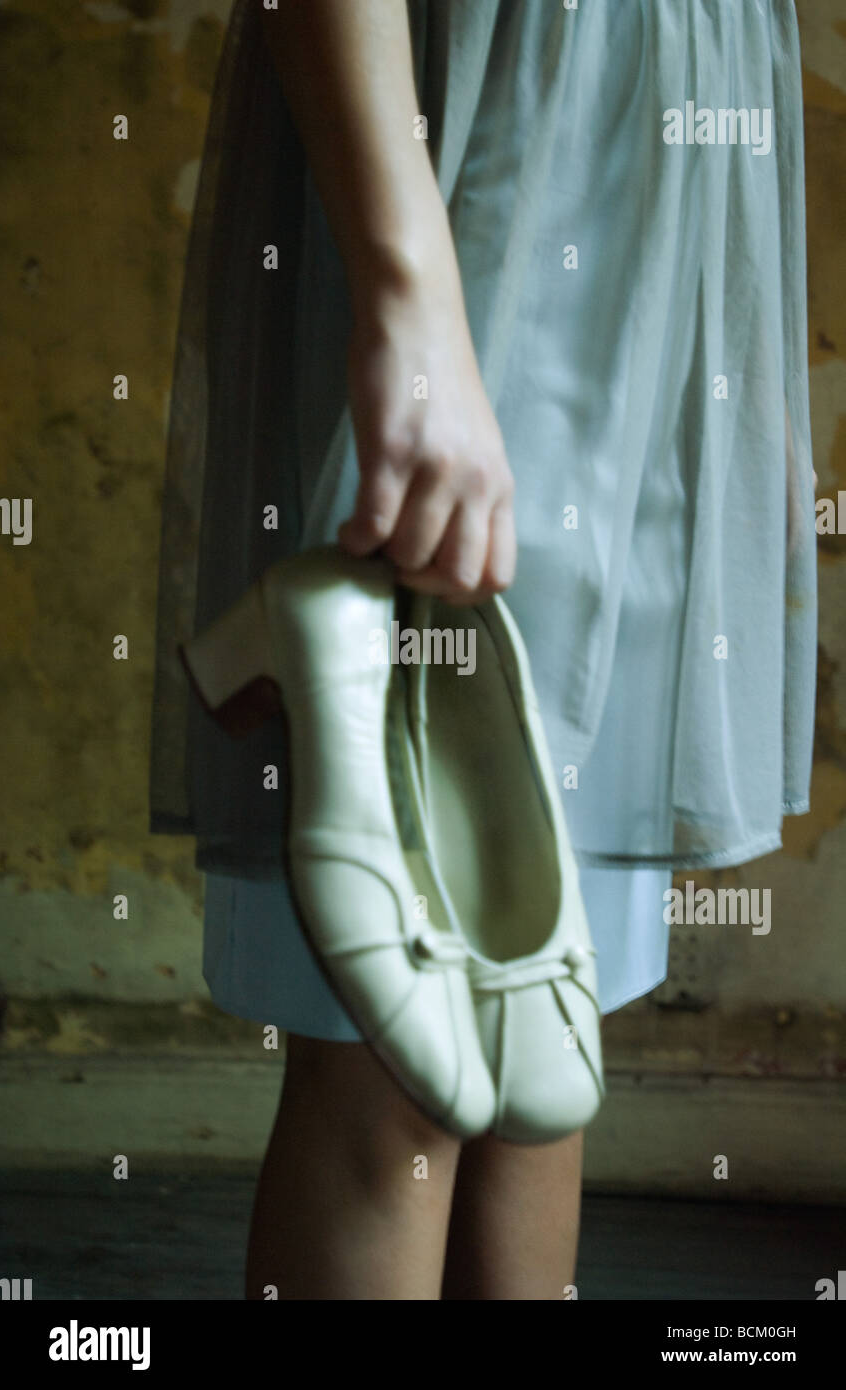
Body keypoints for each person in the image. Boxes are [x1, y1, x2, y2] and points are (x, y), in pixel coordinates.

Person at [149, 0, 817, 1300]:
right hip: (475, 139)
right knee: (400, 1049)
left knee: (538, 1040)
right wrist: (407, 294)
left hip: (656, 166)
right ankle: (307, 626)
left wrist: (733, 339)